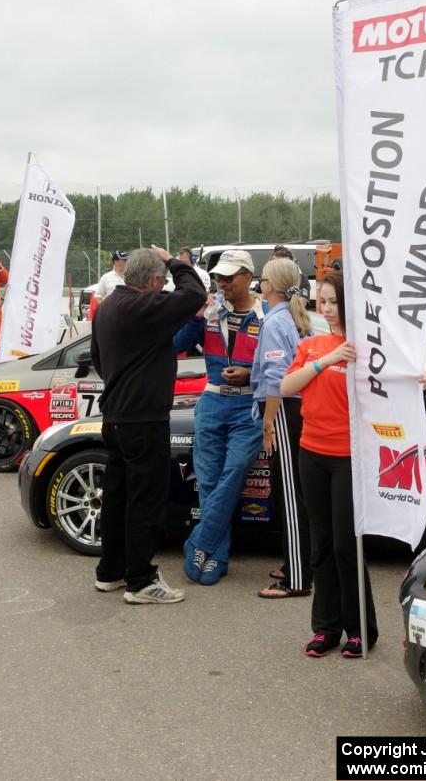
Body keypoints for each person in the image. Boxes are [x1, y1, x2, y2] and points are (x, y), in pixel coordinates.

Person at [90, 245, 206, 604]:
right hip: (143, 419)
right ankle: (140, 581)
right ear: (155, 281)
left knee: (118, 496)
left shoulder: (108, 305)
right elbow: (195, 293)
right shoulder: (145, 306)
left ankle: (110, 571)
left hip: (116, 417)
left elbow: (96, 357)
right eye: (162, 280)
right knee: (145, 500)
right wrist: (175, 260)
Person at [281, 271, 379, 659]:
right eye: (321, 301)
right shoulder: (312, 346)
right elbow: (287, 387)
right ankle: (325, 629)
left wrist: (417, 380)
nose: (326, 308)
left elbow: (389, 383)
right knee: (319, 545)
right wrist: (325, 361)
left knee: (345, 546)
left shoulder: (365, 347)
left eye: (333, 301)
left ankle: (360, 630)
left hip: (348, 458)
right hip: (311, 453)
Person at [174, 249, 264, 585]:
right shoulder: (210, 310)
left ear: (247, 277)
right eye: (218, 278)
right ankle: (217, 557)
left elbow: (282, 365)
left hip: (249, 406)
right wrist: (196, 316)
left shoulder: (267, 313)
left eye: (228, 277)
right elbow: (177, 345)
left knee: (235, 470)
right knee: (209, 482)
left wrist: (250, 375)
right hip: (211, 402)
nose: (222, 283)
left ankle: (199, 543)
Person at [251, 257, 313, 599]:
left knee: (289, 493)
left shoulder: (276, 322)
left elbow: (277, 379)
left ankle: (298, 578)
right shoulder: (294, 318)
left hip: (283, 410)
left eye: (262, 279)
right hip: (294, 409)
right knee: (294, 490)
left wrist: (268, 423)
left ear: (270, 285)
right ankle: (297, 562)